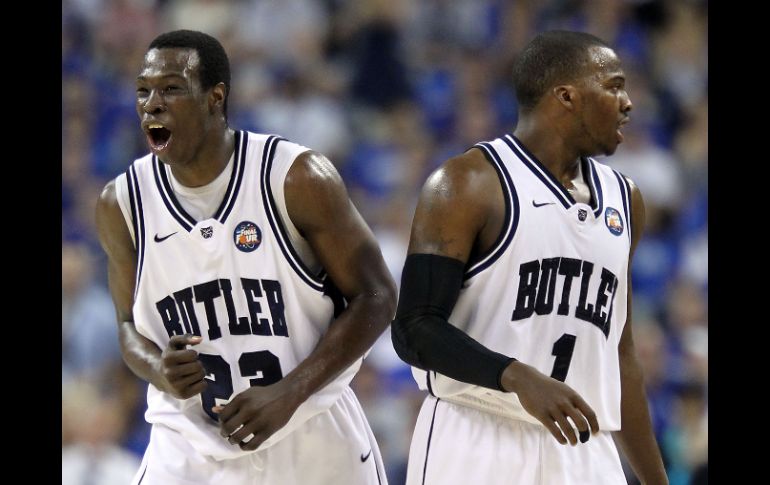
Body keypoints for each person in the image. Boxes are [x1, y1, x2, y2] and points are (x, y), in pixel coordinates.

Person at [95, 30, 397, 485]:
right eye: (143, 90)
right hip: (189, 450)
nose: (151, 104)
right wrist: (158, 368)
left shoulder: (295, 178)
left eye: (171, 88)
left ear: (215, 97)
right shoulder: (122, 205)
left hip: (310, 434)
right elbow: (126, 327)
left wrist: (289, 392)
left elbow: (376, 296)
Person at [391, 30, 668, 485]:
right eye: (614, 85)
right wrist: (516, 377)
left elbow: (620, 354)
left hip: (585, 446)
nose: (628, 102)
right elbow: (413, 328)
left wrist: (657, 481)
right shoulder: (469, 182)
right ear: (566, 96)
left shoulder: (626, 199)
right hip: (478, 431)